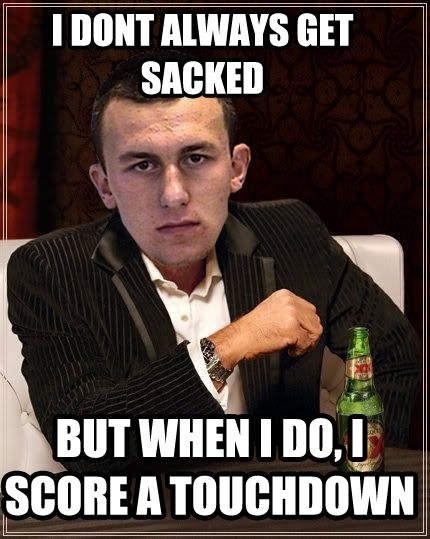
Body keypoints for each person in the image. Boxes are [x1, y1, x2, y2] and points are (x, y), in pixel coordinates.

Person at [7, 52, 420, 473]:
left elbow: (393, 352)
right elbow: (83, 439)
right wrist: (229, 344)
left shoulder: (294, 232)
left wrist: (359, 473)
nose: (174, 195)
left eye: (196, 158)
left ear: (236, 168)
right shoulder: (49, 269)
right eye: (143, 164)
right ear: (105, 185)